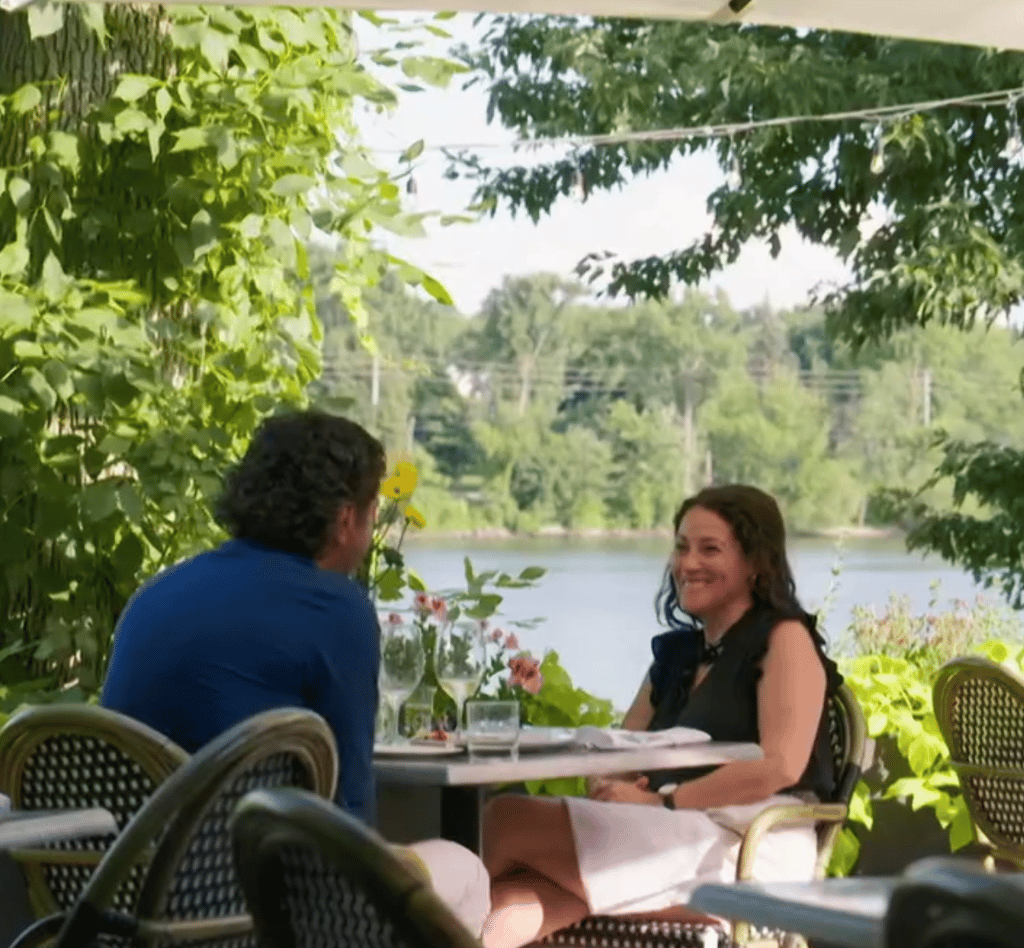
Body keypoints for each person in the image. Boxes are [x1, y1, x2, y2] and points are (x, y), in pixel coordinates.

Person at [101, 410, 489, 935]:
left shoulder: (155, 596)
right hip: (253, 909)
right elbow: (349, 817)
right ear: (347, 518)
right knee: (465, 867)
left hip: (125, 907)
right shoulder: (335, 608)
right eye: (374, 514)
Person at [480, 484, 843, 948]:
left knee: (506, 821)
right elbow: (620, 752)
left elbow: (782, 765)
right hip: (673, 832)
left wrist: (666, 802)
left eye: (710, 549)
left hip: (749, 845)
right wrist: (618, 787)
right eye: (682, 547)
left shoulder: (785, 638)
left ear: (756, 563)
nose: (688, 564)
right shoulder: (678, 655)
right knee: (514, 895)